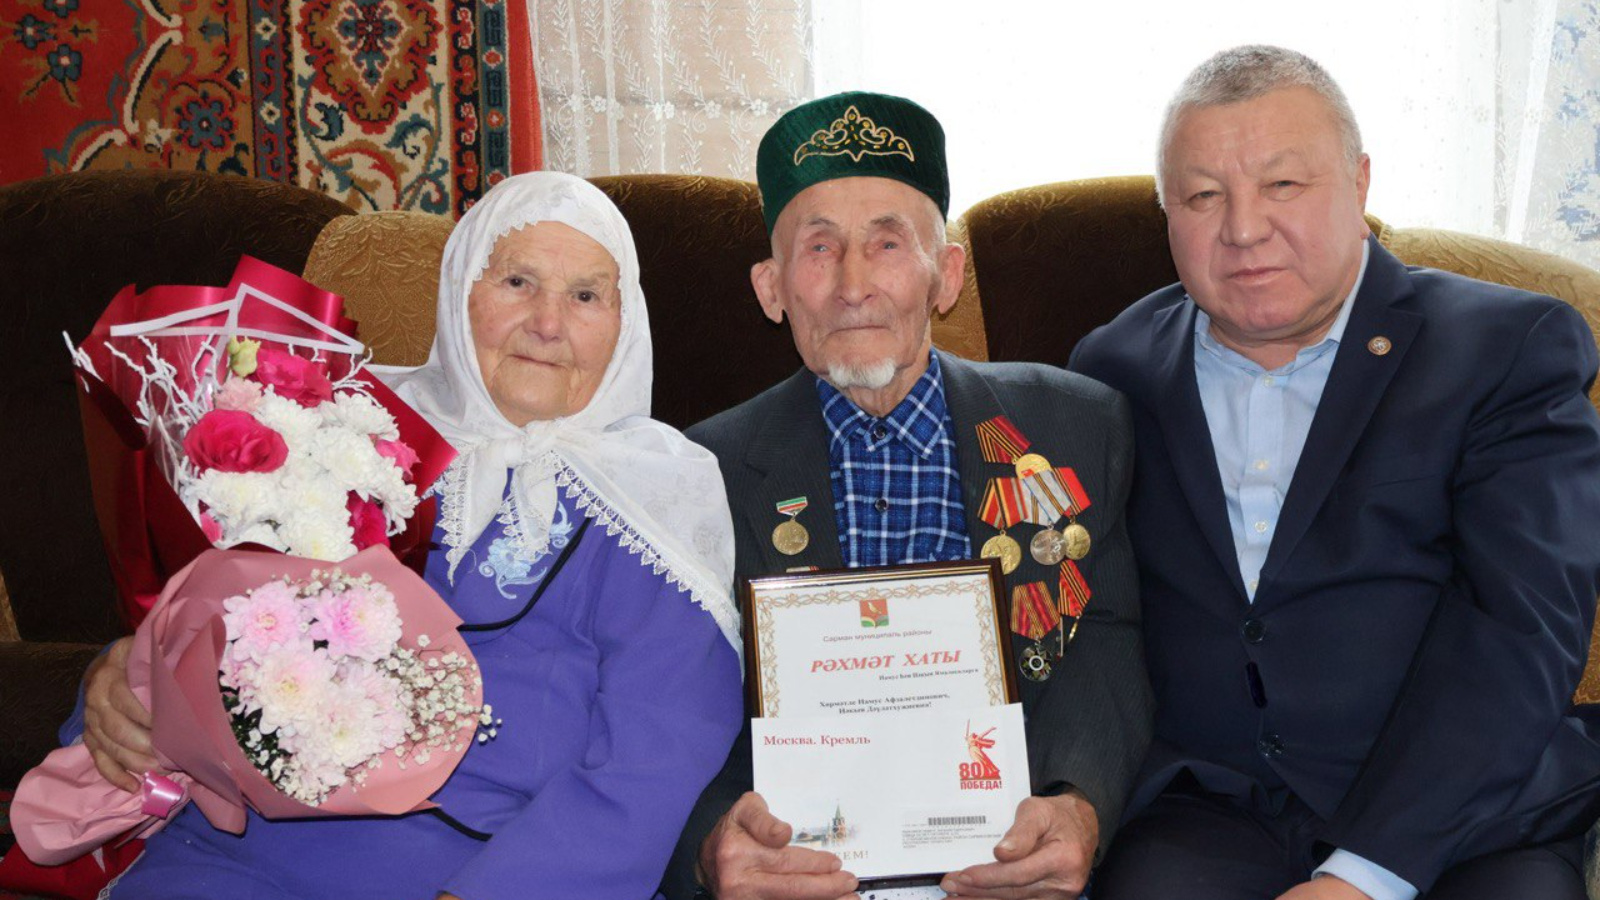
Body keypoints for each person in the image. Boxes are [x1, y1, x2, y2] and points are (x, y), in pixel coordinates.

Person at [74, 171, 745, 899]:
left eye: (585, 296)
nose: (548, 322)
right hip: (235, 847)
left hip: (476, 869)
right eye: (517, 281)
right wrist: (121, 679)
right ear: (459, 294)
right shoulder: (344, 423)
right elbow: (205, 611)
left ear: (624, 321)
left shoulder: (660, 497)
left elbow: (650, 768)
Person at [1070, 45, 1600, 900]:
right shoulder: (1112, 369)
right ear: (1165, 213)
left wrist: (1362, 877)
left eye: (1283, 184)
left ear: (1359, 183)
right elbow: (1085, 619)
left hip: (1464, 816)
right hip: (1210, 811)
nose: (1244, 229)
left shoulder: (1505, 350)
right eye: (1203, 197)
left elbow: (1522, 625)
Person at [664, 91, 1152, 900]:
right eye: (819, 247)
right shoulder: (698, 472)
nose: (854, 284)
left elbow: (1102, 638)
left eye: (888, 243)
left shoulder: (1075, 427)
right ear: (771, 287)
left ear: (945, 275)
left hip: (1006, 871)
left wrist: (1078, 805)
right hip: (801, 876)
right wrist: (711, 842)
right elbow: (667, 693)